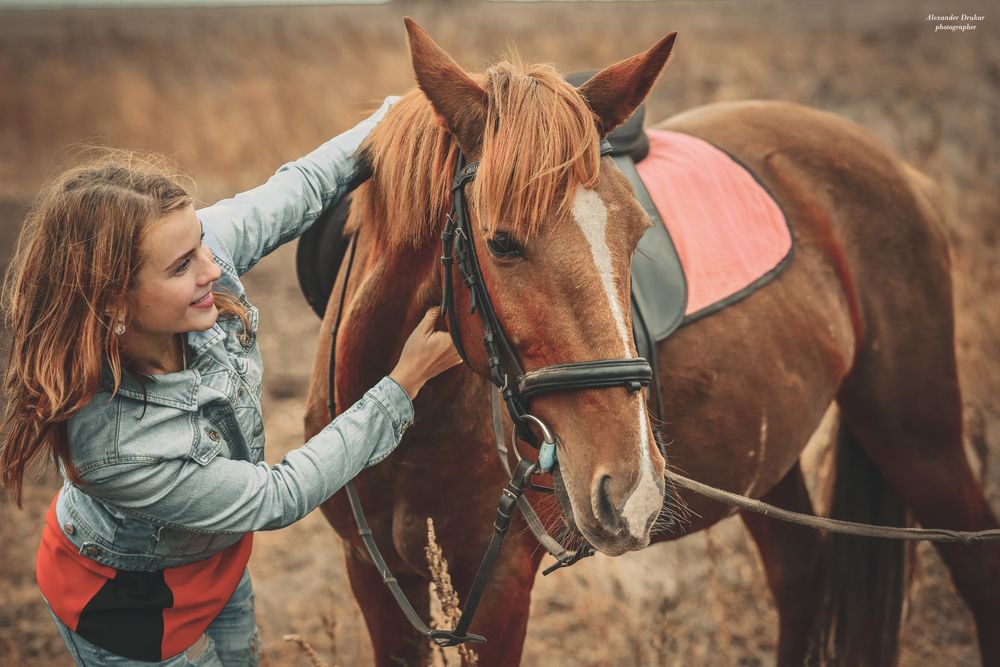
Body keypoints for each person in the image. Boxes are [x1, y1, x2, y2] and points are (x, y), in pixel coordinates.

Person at [0, 96, 463, 665]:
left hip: (213, 566)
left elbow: (304, 186)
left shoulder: (189, 257)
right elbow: (278, 495)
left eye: (200, 242)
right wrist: (403, 384)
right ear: (113, 303)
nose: (212, 268)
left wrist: (398, 116)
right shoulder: (117, 447)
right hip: (130, 606)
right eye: (181, 267)